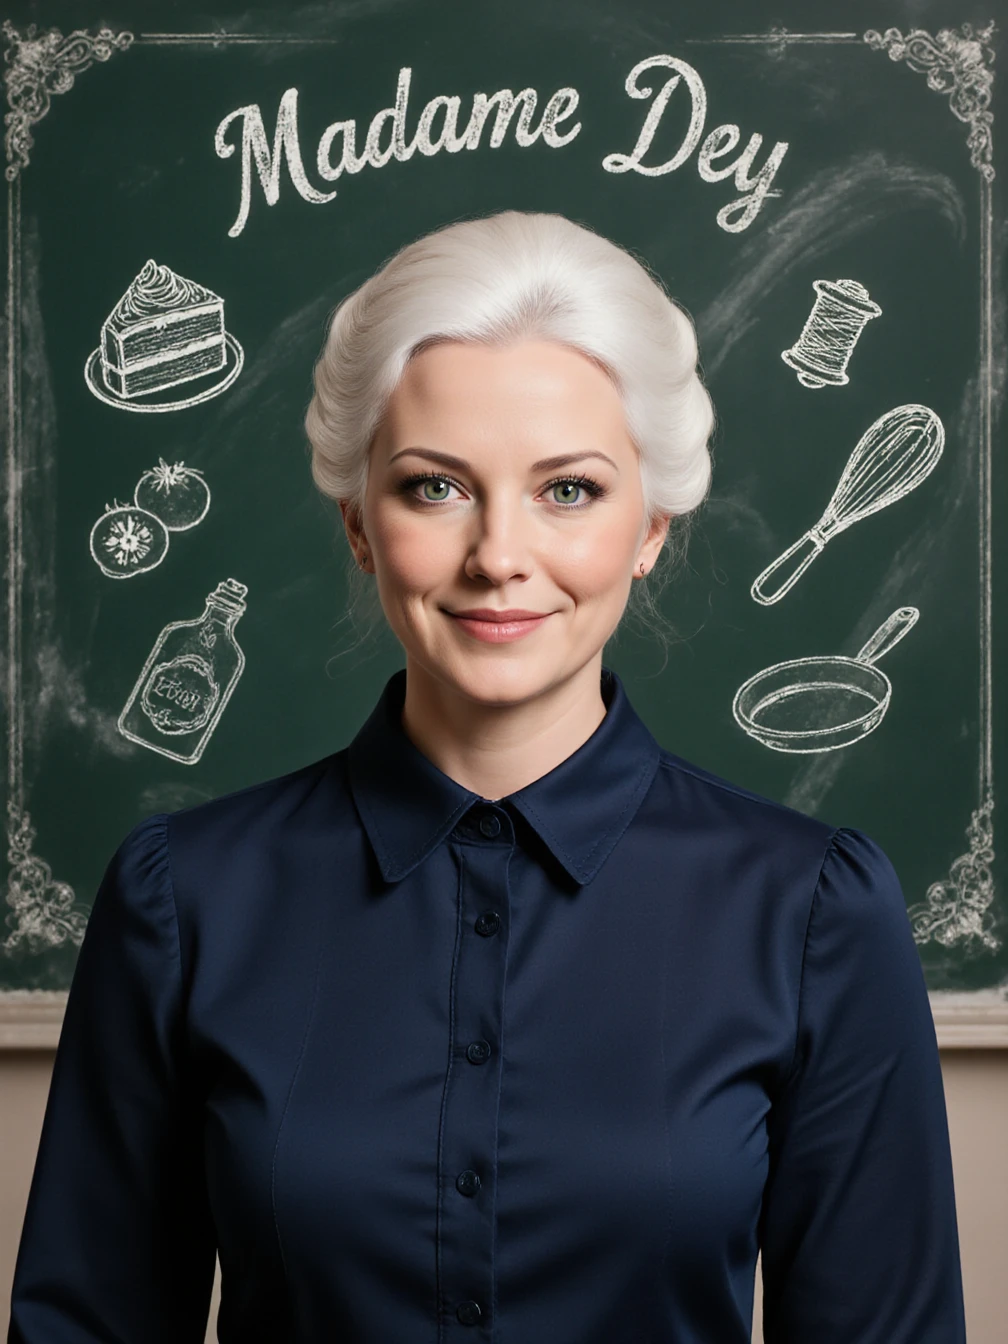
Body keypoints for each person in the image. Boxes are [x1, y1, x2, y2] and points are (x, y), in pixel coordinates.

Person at [7, 210, 966, 1343]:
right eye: (434, 488)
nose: (499, 554)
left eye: (570, 491)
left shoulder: (813, 914)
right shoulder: (184, 901)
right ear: (359, 523)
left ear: (651, 524)